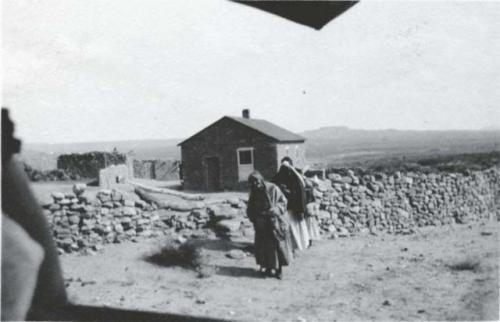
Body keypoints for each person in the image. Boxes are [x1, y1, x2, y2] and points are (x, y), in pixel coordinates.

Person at [247, 171, 293, 279]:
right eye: (252, 183)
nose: (255, 185)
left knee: (278, 246)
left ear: (261, 180)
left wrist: (276, 209)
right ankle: (268, 268)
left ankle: (279, 270)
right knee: (264, 246)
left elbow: (283, 202)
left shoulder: (272, 188)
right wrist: (254, 217)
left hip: (275, 221)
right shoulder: (254, 192)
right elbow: (250, 207)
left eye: (257, 181)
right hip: (262, 223)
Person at [272, 157, 311, 252]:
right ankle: (291, 247)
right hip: (285, 208)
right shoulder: (280, 177)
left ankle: (296, 245)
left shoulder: (295, 178)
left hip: (293, 208)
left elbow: (300, 194)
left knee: (294, 227)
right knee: (288, 228)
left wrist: (301, 209)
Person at [304, 178, 321, 246]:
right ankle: (308, 241)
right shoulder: (308, 204)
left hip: (310, 218)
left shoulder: (312, 204)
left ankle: (309, 241)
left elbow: (316, 212)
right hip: (308, 218)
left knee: (310, 230)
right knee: (308, 230)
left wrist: (316, 216)